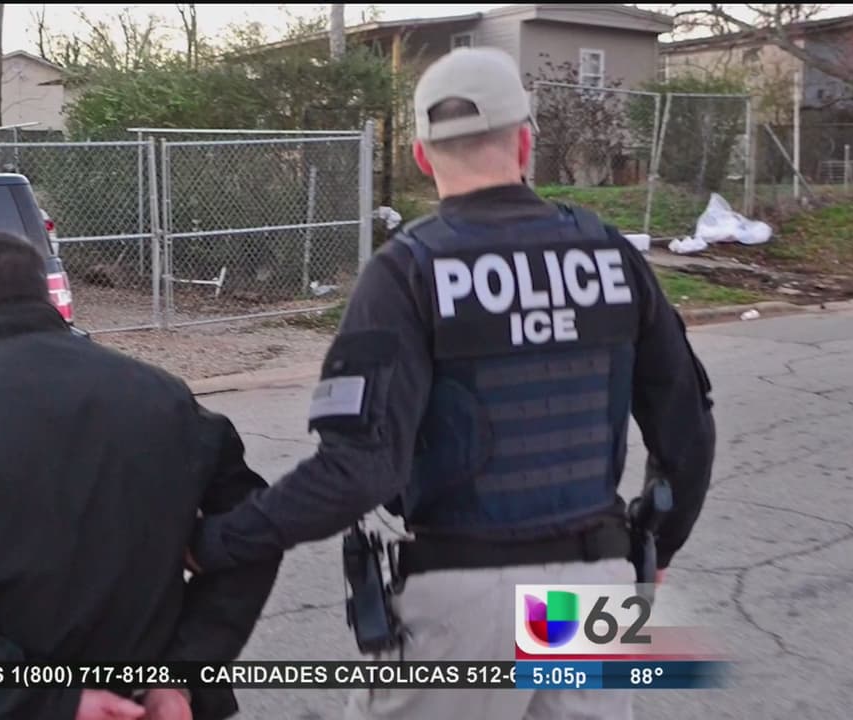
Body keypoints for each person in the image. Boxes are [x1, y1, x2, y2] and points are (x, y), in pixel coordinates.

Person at [188, 47, 716, 720]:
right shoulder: (612, 254)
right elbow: (687, 430)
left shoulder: (406, 271)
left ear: (420, 155)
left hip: (466, 594)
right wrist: (658, 545)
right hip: (598, 585)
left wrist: (217, 542)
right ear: (525, 142)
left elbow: (358, 470)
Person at [0, 230, 282, 720]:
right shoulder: (164, 400)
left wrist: (50, 702)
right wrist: (181, 676)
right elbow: (255, 533)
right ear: (48, 300)